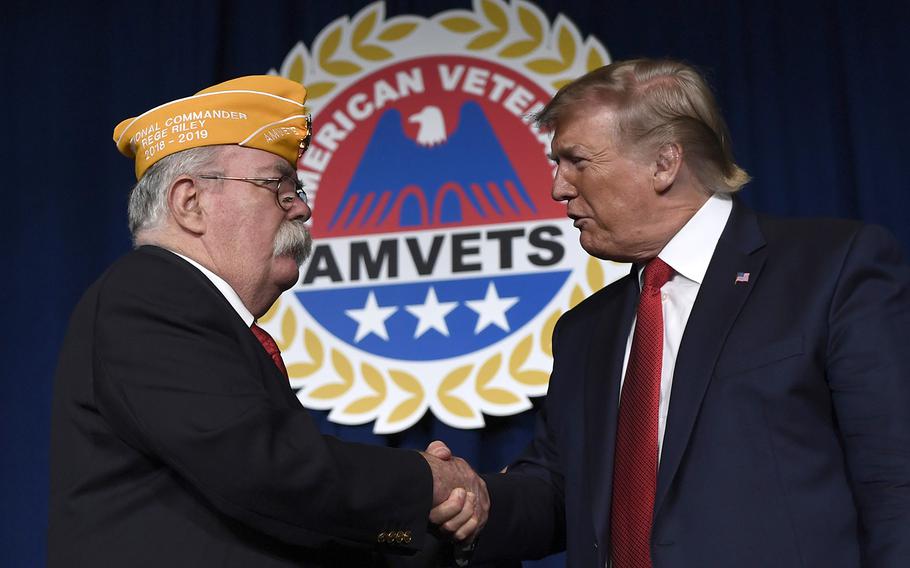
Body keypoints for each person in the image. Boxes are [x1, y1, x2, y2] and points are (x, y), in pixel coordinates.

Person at [435, 58, 910, 567]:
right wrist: (479, 501)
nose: (558, 187)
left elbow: (894, 480)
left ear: (664, 164)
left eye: (576, 161)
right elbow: (561, 492)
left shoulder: (831, 269)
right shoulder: (582, 330)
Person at [48, 75, 486, 567]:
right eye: (276, 185)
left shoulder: (198, 311)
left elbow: (281, 519)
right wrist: (427, 482)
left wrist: (442, 525)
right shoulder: (150, 290)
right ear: (190, 202)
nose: (302, 206)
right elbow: (260, 467)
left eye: (296, 188)